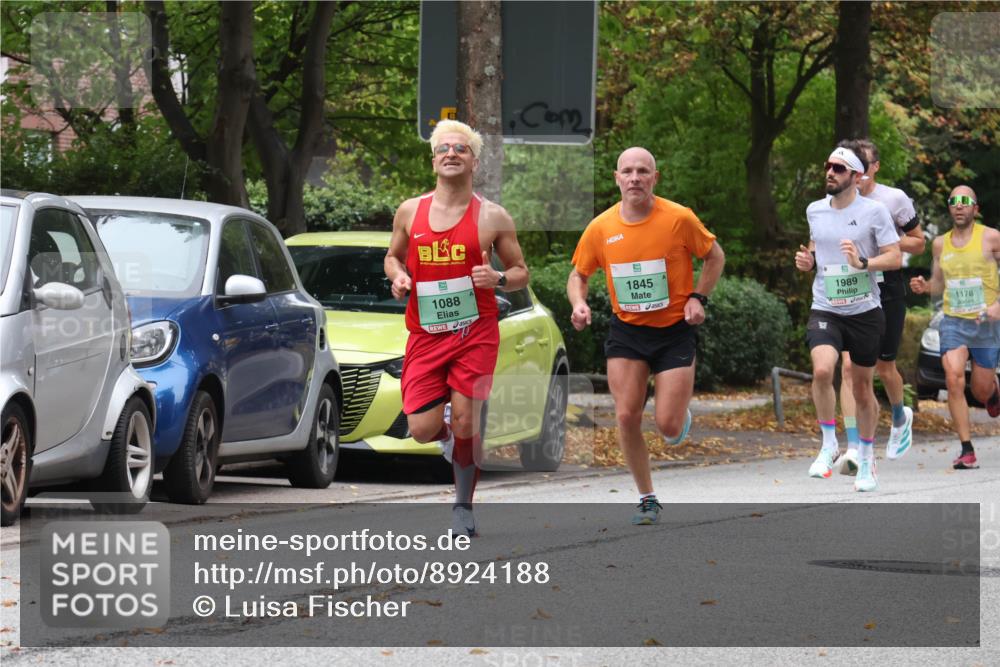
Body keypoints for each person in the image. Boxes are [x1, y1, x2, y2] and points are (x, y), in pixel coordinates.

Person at [384, 119, 529, 536]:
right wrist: (398, 277)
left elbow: (521, 271)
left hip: (475, 333)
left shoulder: (494, 217)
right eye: (444, 148)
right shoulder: (410, 210)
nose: (451, 153)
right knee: (421, 429)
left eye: (460, 149)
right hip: (427, 334)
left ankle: (462, 509)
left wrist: (499, 279)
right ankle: (446, 434)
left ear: (474, 162)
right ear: (433, 161)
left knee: (469, 421)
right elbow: (392, 256)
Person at [567, 147, 725, 525]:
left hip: (674, 332)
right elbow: (579, 275)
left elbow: (714, 256)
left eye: (642, 171)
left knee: (668, 426)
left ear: (655, 178)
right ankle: (647, 497)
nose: (634, 177)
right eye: (627, 171)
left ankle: (677, 414)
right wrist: (579, 304)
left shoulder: (678, 218)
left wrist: (698, 297)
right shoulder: (602, 227)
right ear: (617, 178)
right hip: (628, 333)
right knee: (625, 415)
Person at [794, 146, 901, 492]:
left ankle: (867, 458)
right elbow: (816, 248)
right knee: (823, 370)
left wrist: (863, 263)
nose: (830, 172)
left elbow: (895, 257)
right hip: (826, 306)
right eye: (827, 166)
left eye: (838, 168)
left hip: (865, 311)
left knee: (862, 387)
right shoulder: (815, 210)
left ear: (856, 176)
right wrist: (808, 262)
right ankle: (829, 443)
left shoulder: (875, 212)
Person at [836, 138, 925, 475]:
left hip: (887, 288)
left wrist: (884, 236)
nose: (857, 172)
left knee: (884, 368)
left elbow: (918, 243)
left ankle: (901, 416)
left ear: (874, 167)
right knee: (849, 368)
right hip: (854, 288)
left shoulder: (894, 199)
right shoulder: (838, 200)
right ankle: (854, 446)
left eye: (864, 165)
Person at [910, 186, 1000, 470]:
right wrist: (926, 287)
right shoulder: (940, 244)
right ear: (950, 208)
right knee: (953, 378)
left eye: (965, 201)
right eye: (953, 201)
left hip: (986, 323)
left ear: (975, 208)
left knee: (981, 390)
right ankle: (966, 449)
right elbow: (939, 283)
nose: (959, 206)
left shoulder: (991, 238)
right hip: (954, 321)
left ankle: (994, 392)